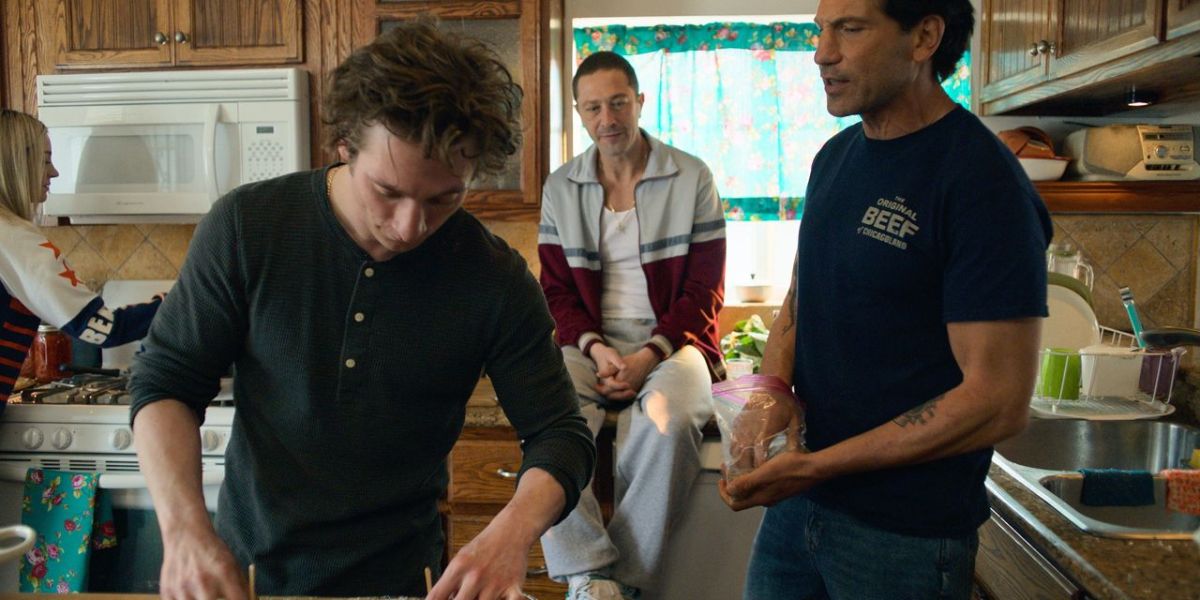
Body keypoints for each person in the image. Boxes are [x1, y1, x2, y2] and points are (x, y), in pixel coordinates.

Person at [128, 21, 596, 600]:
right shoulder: (249, 228)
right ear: (345, 145)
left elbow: (561, 434)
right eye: (389, 191)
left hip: (405, 582)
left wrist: (510, 534)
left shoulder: (493, 278)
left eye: (443, 198)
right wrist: (183, 531)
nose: (410, 227)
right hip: (250, 578)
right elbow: (167, 380)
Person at [719, 1, 1052, 599]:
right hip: (798, 511)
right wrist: (770, 391)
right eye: (820, 31)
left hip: (904, 538)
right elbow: (802, 298)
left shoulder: (983, 183)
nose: (821, 53)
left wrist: (817, 466)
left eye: (849, 29)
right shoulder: (834, 159)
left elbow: (997, 403)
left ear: (924, 37)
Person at [537, 51, 726, 600]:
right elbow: (556, 293)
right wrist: (597, 350)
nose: (608, 118)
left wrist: (648, 356)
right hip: (589, 343)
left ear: (640, 101)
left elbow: (704, 291)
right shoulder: (561, 186)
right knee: (548, 412)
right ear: (580, 113)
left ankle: (619, 584)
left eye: (618, 102)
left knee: (668, 423)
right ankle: (588, 572)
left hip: (673, 342)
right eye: (593, 107)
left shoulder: (691, 176)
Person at [0, 109, 162, 409]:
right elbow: (99, 328)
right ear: (16, 164)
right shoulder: (13, 239)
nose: (54, 172)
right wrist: (177, 305)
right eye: (45, 159)